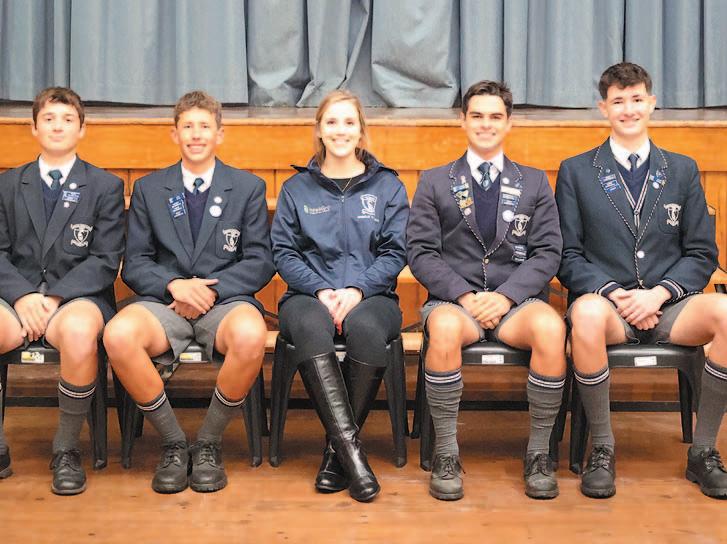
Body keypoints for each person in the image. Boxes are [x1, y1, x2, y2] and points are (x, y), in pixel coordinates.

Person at [556, 62, 727, 499]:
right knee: (585, 315)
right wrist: (616, 294)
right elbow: (567, 256)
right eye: (618, 101)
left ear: (651, 103)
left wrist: (659, 294)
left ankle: (704, 451)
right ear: (603, 108)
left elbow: (702, 253)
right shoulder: (576, 171)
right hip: (608, 308)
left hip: (671, 306)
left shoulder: (682, 169)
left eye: (636, 99)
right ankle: (603, 449)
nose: (628, 109)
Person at [103, 91, 274, 494]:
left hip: (224, 301)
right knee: (117, 335)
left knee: (251, 335)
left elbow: (260, 261)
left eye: (204, 127)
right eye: (187, 127)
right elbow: (136, 262)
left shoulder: (247, 187)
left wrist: (209, 292)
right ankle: (175, 443)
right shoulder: (149, 188)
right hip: (165, 302)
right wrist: (174, 285)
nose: (196, 135)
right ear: (174, 134)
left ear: (220, 134)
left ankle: (209, 443)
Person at [407, 80, 565, 500]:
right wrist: (464, 296)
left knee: (552, 329)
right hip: (455, 302)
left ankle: (538, 454)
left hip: (517, 301)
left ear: (509, 123)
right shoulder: (434, 181)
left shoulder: (534, 182)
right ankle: (445, 453)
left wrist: (506, 296)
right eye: (476, 115)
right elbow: (421, 252)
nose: (486, 124)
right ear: (462, 120)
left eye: (495, 116)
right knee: (442, 329)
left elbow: (548, 253)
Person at [270, 89, 409, 502]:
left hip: (373, 296)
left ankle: (336, 455)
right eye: (332, 122)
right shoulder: (297, 188)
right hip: (307, 296)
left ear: (361, 131)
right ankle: (353, 456)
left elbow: (395, 252)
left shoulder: (388, 187)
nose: (340, 130)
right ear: (319, 129)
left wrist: (357, 289)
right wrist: (321, 289)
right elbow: (284, 252)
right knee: (311, 328)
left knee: (366, 330)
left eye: (349, 122)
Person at [0, 87, 125, 494]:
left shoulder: (104, 186)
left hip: (76, 297)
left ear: (82, 129)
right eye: (49, 119)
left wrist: (54, 296)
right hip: (15, 296)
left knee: (77, 332)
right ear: (34, 127)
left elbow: (105, 259)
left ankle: (66, 448)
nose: (58, 126)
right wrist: (22, 296)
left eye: (68, 119)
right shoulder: (7, 184)